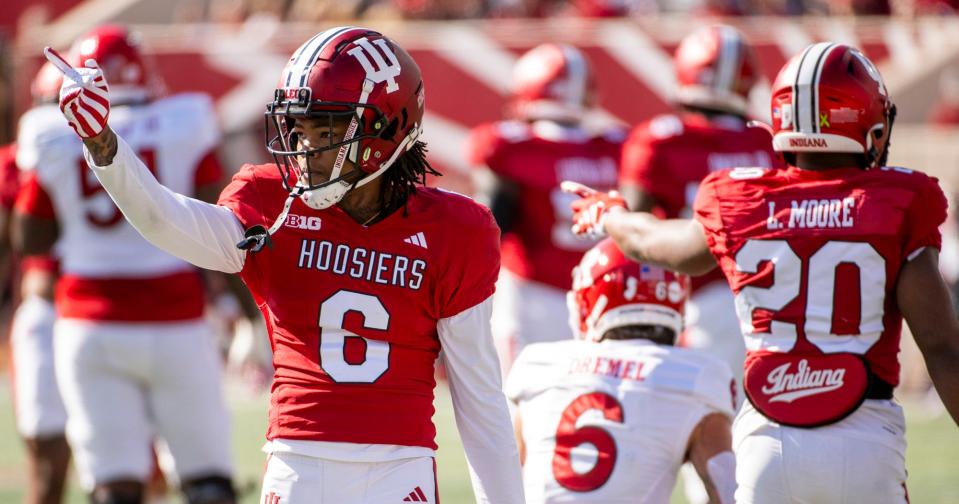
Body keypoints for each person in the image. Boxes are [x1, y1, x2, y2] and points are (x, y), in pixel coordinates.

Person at [46, 25, 524, 504]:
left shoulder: (453, 230)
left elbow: (480, 401)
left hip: (399, 471)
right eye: (299, 128)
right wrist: (103, 142)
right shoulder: (272, 206)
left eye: (327, 129)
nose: (305, 148)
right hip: (297, 466)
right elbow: (164, 220)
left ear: (386, 126)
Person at [563, 42, 959, 503]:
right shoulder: (898, 200)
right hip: (863, 432)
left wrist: (609, 214)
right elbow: (940, 343)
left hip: (767, 439)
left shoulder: (740, 199)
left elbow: (655, 243)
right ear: (867, 123)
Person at [17, 26, 237, 504]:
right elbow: (211, 214)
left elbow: (32, 237)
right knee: (207, 480)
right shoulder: (185, 118)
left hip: (87, 321)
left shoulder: (51, 131)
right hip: (176, 317)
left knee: (114, 485)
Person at [507, 238, 736, 503]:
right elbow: (727, 491)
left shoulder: (538, 365)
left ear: (589, 300)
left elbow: (507, 478)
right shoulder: (696, 376)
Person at [620, 25, 777, 409]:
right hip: (773, 300)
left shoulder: (661, 139)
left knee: (701, 424)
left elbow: (633, 226)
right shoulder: (767, 142)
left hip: (696, 299)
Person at [466, 43, 624, 375]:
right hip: (604, 292)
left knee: (520, 401)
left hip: (533, 295)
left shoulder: (511, 146)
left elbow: (492, 222)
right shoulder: (615, 146)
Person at [8, 61, 71, 504]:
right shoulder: (14, 163)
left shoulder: (128, 154)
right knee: (46, 455)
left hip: (111, 311)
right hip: (52, 310)